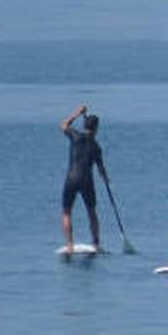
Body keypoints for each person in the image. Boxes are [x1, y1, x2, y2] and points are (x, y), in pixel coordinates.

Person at [60, 105, 107, 253]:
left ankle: (70, 245)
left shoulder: (75, 136)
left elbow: (64, 125)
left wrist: (77, 113)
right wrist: (106, 179)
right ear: (96, 129)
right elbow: (101, 170)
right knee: (92, 212)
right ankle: (96, 243)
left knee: (67, 212)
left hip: (71, 179)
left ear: (84, 126)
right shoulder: (96, 146)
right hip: (86, 181)